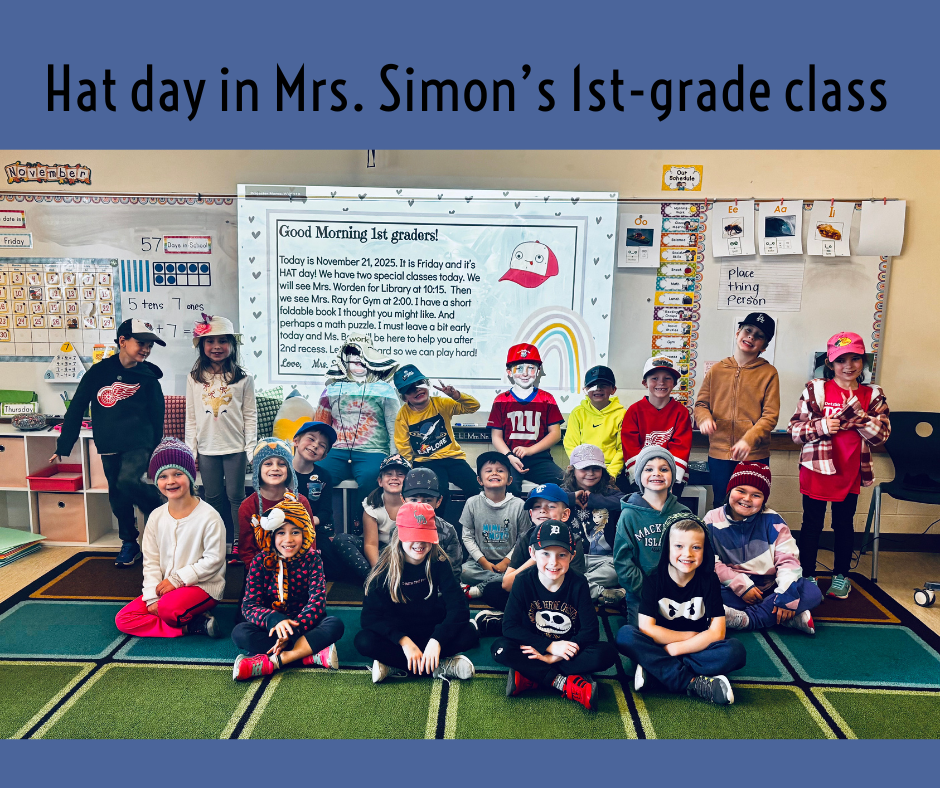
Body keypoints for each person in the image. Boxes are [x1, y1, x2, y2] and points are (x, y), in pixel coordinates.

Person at [51, 318, 166, 567]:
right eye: (141, 343)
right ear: (122, 341)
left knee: (127, 481)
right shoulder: (99, 372)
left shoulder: (147, 377)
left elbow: (158, 415)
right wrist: (64, 444)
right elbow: (77, 407)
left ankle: (162, 511)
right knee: (117, 493)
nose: (146, 349)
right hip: (109, 442)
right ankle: (129, 542)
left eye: (150, 345)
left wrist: (156, 447)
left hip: (140, 442)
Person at [787, 332, 891, 599]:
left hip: (850, 472)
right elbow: (795, 431)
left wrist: (859, 418)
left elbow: (882, 435)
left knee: (844, 525)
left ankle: (841, 576)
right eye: (841, 359)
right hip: (816, 470)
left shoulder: (872, 394)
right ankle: (807, 574)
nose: (849, 365)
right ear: (830, 363)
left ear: (863, 362)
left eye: (856, 358)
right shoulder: (816, 389)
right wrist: (822, 426)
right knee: (811, 524)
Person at [615, 513, 747, 705]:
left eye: (696, 547)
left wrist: (673, 649)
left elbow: (718, 632)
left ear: (705, 550)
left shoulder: (709, 581)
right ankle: (693, 682)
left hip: (692, 648)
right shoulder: (654, 579)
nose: (687, 554)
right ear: (666, 548)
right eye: (678, 546)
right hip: (671, 642)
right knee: (626, 636)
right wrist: (689, 636)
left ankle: (655, 669)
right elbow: (647, 628)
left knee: (735, 651)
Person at [491, 520, 617, 711]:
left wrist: (554, 656)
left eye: (562, 555)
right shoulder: (523, 580)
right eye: (545, 554)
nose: (553, 562)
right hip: (534, 647)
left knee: (607, 654)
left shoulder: (578, 583)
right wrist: (549, 646)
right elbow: (509, 626)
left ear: (571, 556)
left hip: (566, 649)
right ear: (532, 553)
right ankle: (563, 683)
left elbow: (590, 632)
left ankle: (530, 677)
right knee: (501, 649)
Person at [354, 502, 479, 683]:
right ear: (399, 535)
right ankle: (439, 666)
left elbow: (458, 607)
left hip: (429, 629)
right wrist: (403, 641)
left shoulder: (439, 562)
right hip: (397, 634)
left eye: (425, 536)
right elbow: (370, 619)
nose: (419, 543)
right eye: (413, 536)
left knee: (470, 632)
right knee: (364, 641)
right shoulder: (383, 570)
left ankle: (396, 665)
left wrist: (437, 640)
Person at [115, 439, 226, 638]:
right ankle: (192, 626)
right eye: (163, 476)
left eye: (178, 474)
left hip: (202, 586)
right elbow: (151, 562)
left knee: (167, 608)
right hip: (166, 590)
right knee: (124, 619)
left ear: (190, 476)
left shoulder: (209, 516)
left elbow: (214, 560)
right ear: (156, 481)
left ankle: (179, 614)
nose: (171, 481)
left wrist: (178, 580)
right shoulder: (156, 517)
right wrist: (150, 598)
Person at [231, 493, 345, 679]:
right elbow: (249, 605)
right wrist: (276, 621)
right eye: (281, 533)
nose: (288, 540)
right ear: (271, 536)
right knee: (240, 632)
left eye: (295, 532)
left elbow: (317, 602)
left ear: (305, 533)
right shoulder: (261, 561)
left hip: (303, 625)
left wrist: (293, 630)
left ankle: (277, 660)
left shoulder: (312, 559)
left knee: (334, 624)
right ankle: (308, 656)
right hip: (273, 627)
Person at [705, 462, 822, 634]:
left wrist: (785, 595)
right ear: (730, 490)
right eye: (741, 491)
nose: (747, 499)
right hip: (732, 587)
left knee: (812, 592)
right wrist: (741, 586)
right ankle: (787, 617)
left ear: (764, 499)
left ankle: (745, 620)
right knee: (703, 592)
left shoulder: (773, 521)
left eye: (756, 495)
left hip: (770, 587)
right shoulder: (711, 519)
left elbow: (788, 561)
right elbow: (709, 561)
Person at [185, 314, 256, 564]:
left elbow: (250, 415)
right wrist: (190, 451)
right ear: (202, 346)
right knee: (212, 496)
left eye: (223, 341)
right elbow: (191, 417)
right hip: (207, 449)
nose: (216, 346)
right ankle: (216, 540)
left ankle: (239, 540)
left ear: (232, 345)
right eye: (210, 341)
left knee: (236, 495)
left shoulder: (243, 378)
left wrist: (250, 450)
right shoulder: (194, 378)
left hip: (235, 448)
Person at [473, 482, 586, 634]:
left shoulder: (574, 541)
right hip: (531, 600)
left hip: (560, 604)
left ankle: (514, 624)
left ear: (565, 514)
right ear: (531, 515)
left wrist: (546, 555)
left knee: (581, 610)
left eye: (551, 506)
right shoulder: (526, 538)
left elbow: (574, 589)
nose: (543, 511)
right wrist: (538, 555)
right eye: (537, 507)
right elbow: (507, 584)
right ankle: (529, 625)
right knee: (492, 590)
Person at [693, 312, 780, 502]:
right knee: (721, 505)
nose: (751, 337)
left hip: (754, 454)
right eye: (748, 330)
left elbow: (770, 416)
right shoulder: (717, 370)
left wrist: (748, 439)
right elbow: (701, 404)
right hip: (719, 454)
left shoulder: (769, 373)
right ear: (738, 333)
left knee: (751, 505)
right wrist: (704, 418)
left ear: (764, 347)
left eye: (759, 336)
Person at [312, 334, 401, 496]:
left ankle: (363, 521)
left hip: (373, 452)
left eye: (361, 353)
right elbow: (320, 425)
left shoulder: (384, 389)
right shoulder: (332, 388)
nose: (357, 358)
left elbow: (394, 426)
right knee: (316, 478)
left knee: (371, 480)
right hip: (336, 450)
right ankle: (323, 520)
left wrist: (394, 460)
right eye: (352, 353)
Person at [613, 445, 690, 626]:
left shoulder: (684, 513)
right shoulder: (629, 515)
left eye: (664, 469)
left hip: (677, 592)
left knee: (689, 630)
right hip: (641, 594)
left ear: (673, 476)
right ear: (639, 475)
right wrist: (648, 591)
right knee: (636, 638)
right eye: (649, 469)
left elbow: (694, 556)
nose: (657, 473)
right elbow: (623, 563)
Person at [393, 363, 481, 520]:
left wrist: (456, 395)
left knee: (476, 488)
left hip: (453, 460)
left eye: (419, 384)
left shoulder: (441, 403)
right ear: (404, 397)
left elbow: (474, 406)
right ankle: (436, 530)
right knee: (439, 492)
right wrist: (411, 470)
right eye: (410, 389)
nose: (418, 390)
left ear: (426, 384)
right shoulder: (403, 415)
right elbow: (403, 446)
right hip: (426, 462)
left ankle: (470, 525)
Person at [487, 343, 564, 495]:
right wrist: (509, 456)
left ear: (538, 371)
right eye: (519, 368)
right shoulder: (501, 400)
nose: (525, 373)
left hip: (539, 459)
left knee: (566, 482)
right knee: (509, 489)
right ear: (509, 372)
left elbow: (555, 434)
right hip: (509, 459)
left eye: (531, 368)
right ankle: (513, 519)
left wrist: (530, 450)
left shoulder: (546, 399)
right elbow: (496, 436)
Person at [562, 444, 625, 605]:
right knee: (555, 569)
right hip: (571, 559)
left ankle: (571, 586)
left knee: (618, 571)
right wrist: (571, 498)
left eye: (596, 469)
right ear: (572, 470)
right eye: (584, 469)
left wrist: (592, 500)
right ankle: (600, 592)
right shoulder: (561, 493)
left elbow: (630, 501)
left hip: (604, 561)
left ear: (602, 471)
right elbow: (536, 500)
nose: (590, 473)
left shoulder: (610, 493)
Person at [459, 451, 528, 599]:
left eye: (500, 470)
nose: (494, 473)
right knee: (464, 571)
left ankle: (479, 589)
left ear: (510, 480)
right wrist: (483, 562)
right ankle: (501, 584)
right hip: (478, 564)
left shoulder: (519, 505)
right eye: (489, 471)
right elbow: (467, 537)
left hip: (510, 563)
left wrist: (506, 562)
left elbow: (523, 540)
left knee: (525, 573)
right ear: (479, 480)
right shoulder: (472, 503)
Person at [238, 438, 315, 570]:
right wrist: (263, 573)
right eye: (268, 463)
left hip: (296, 568)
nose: (275, 468)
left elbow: (310, 542)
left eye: (281, 464)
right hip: (261, 571)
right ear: (258, 469)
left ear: (289, 469)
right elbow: (246, 550)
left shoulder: (300, 502)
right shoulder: (248, 506)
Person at [333, 454, 411, 580]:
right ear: (380, 481)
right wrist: (377, 571)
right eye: (389, 474)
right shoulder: (372, 506)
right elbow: (371, 545)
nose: (394, 478)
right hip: (377, 552)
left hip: (403, 552)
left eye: (400, 474)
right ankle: (374, 580)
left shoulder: (413, 505)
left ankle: (399, 579)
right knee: (341, 540)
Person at [621, 357, 692, 495]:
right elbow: (631, 446)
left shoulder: (681, 412)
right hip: (641, 474)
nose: (661, 383)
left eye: (667, 378)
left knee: (668, 510)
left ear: (675, 383)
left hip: (671, 476)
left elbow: (681, 447)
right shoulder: (634, 410)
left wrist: (668, 478)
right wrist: (644, 475)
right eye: (654, 378)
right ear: (644, 383)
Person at [291, 420, 342, 578]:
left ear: (324, 455)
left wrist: (306, 523)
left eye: (321, 445)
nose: (314, 446)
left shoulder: (324, 476)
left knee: (331, 567)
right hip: (282, 528)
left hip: (313, 529)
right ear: (296, 440)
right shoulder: (281, 470)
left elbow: (326, 512)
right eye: (311, 439)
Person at [563, 365, 626, 482]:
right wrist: (583, 469)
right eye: (592, 385)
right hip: (583, 469)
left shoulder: (622, 415)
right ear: (586, 390)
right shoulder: (577, 413)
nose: (598, 389)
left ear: (613, 389)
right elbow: (571, 445)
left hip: (610, 471)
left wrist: (611, 474)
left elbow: (622, 449)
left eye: (604, 385)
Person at [399, 467, 463, 581]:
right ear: (403, 500)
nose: (420, 505)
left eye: (428, 500)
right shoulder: (397, 530)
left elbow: (454, 571)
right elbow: (394, 567)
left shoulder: (448, 531)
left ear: (438, 501)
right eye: (413, 499)